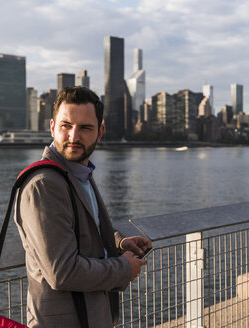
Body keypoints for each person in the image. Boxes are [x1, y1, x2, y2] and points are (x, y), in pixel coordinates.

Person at [14, 86, 152, 328]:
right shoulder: (44, 185)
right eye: (66, 125)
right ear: (52, 127)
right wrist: (124, 268)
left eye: (85, 128)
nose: (73, 137)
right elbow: (62, 272)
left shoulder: (79, 174)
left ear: (100, 132)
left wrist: (117, 243)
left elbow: (80, 227)